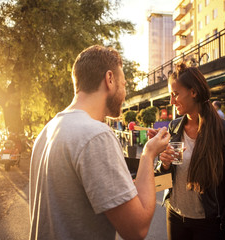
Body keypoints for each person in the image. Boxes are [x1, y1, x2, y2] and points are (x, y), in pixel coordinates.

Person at [29, 45, 170, 240]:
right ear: (110, 79)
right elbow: (137, 230)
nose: (125, 92)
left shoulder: (47, 131)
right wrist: (148, 154)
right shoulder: (96, 135)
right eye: (124, 84)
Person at [151, 63, 225, 240]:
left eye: (175, 94)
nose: (171, 101)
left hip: (209, 223)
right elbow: (160, 184)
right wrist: (164, 164)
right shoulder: (174, 127)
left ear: (194, 92)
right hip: (175, 216)